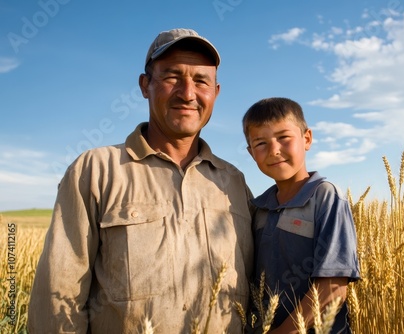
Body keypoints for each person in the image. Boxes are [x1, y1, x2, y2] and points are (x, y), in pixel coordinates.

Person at [28, 28, 254, 333]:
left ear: (215, 91)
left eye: (201, 81)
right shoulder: (96, 170)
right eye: (172, 77)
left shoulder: (235, 184)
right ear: (145, 85)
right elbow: (58, 299)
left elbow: (258, 292)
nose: (187, 93)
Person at [242, 97, 361, 333]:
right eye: (261, 143)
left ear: (306, 139)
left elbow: (333, 286)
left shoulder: (325, 197)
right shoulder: (258, 207)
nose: (274, 150)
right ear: (251, 152)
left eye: (284, 138)